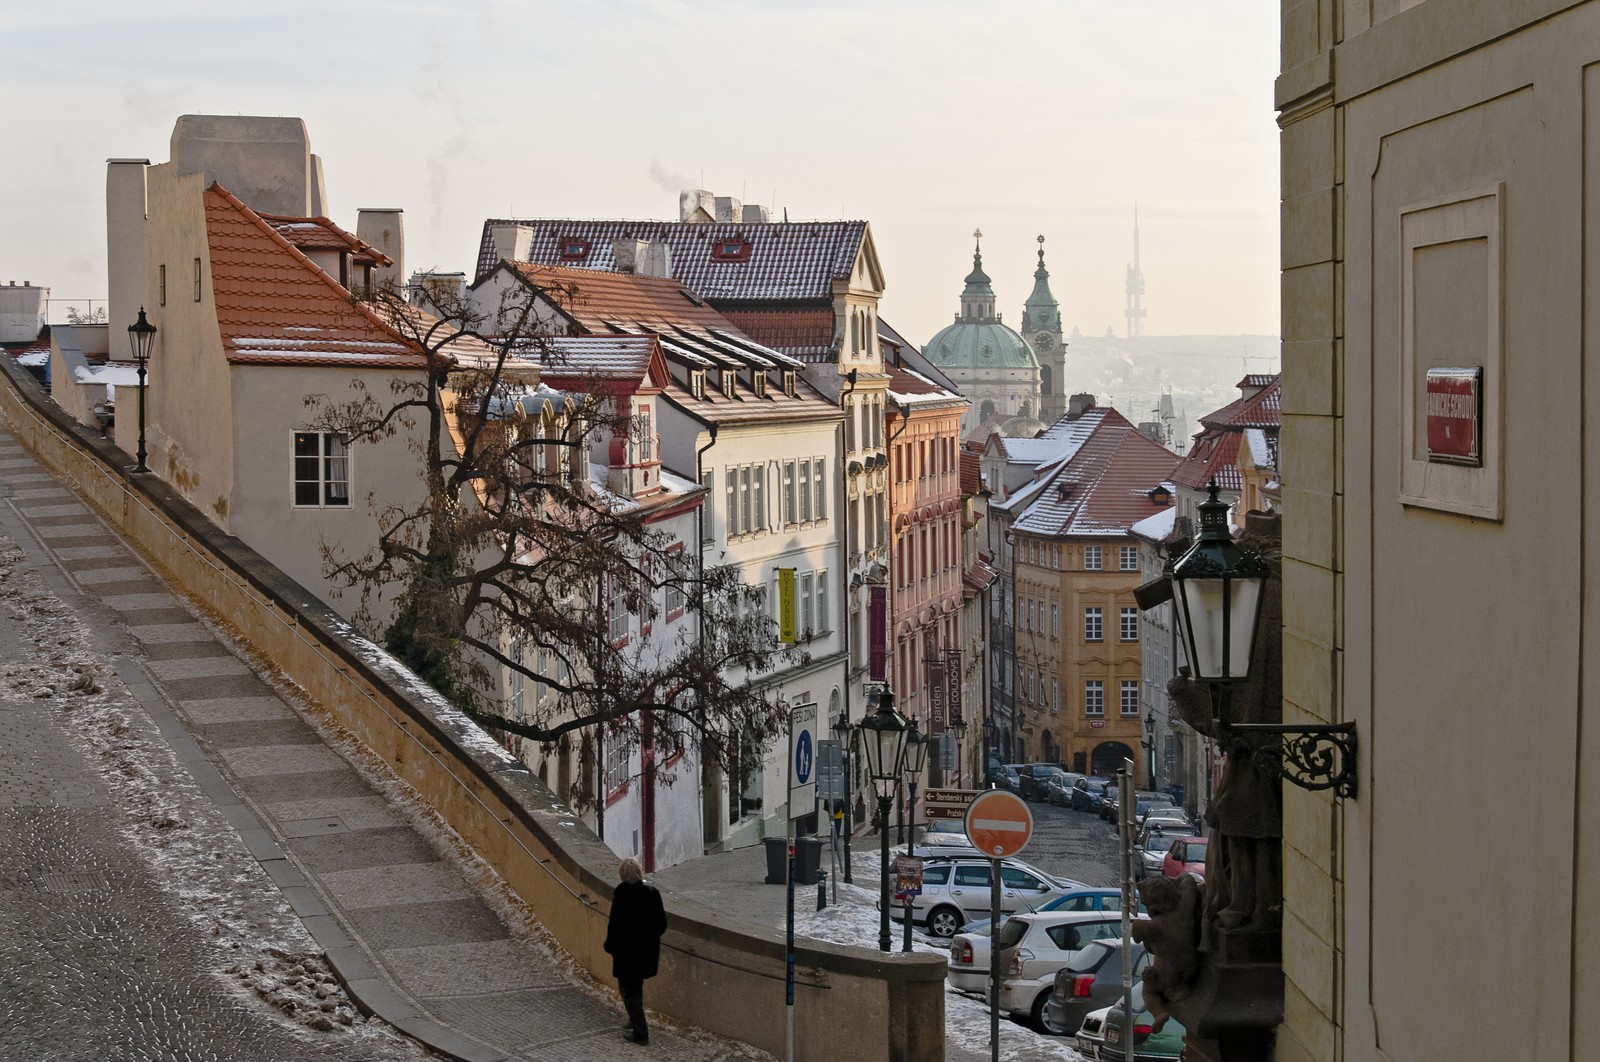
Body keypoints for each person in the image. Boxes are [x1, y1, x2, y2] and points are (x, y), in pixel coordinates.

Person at [604, 856, 668, 1045]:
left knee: (628, 990)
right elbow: (661, 925)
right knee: (634, 987)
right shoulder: (652, 893)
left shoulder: (622, 895)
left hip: (626, 953)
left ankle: (640, 1032)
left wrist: (611, 946)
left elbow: (614, 926)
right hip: (645, 952)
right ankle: (634, 1021)